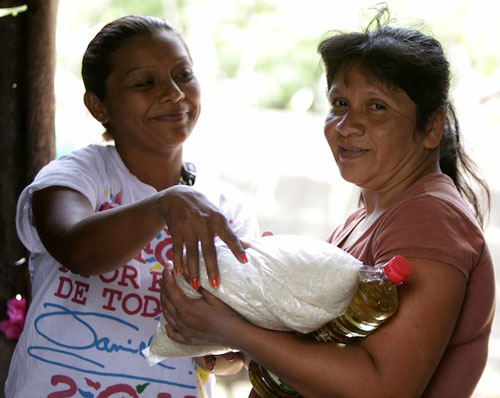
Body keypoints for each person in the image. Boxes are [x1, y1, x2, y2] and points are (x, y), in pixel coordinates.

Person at [160, 7, 496, 398]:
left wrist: (232, 330)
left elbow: (382, 387)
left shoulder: (431, 219)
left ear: (432, 126)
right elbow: (324, 355)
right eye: (339, 103)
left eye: (377, 107)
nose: (347, 125)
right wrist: (245, 321)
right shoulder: (366, 218)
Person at [5, 15, 259, 397]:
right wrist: (165, 204)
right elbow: (77, 250)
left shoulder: (225, 206)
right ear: (99, 106)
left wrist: (219, 347)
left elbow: (231, 355)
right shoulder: (77, 175)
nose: (174, 94)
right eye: (145, 83)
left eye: (183, 75)